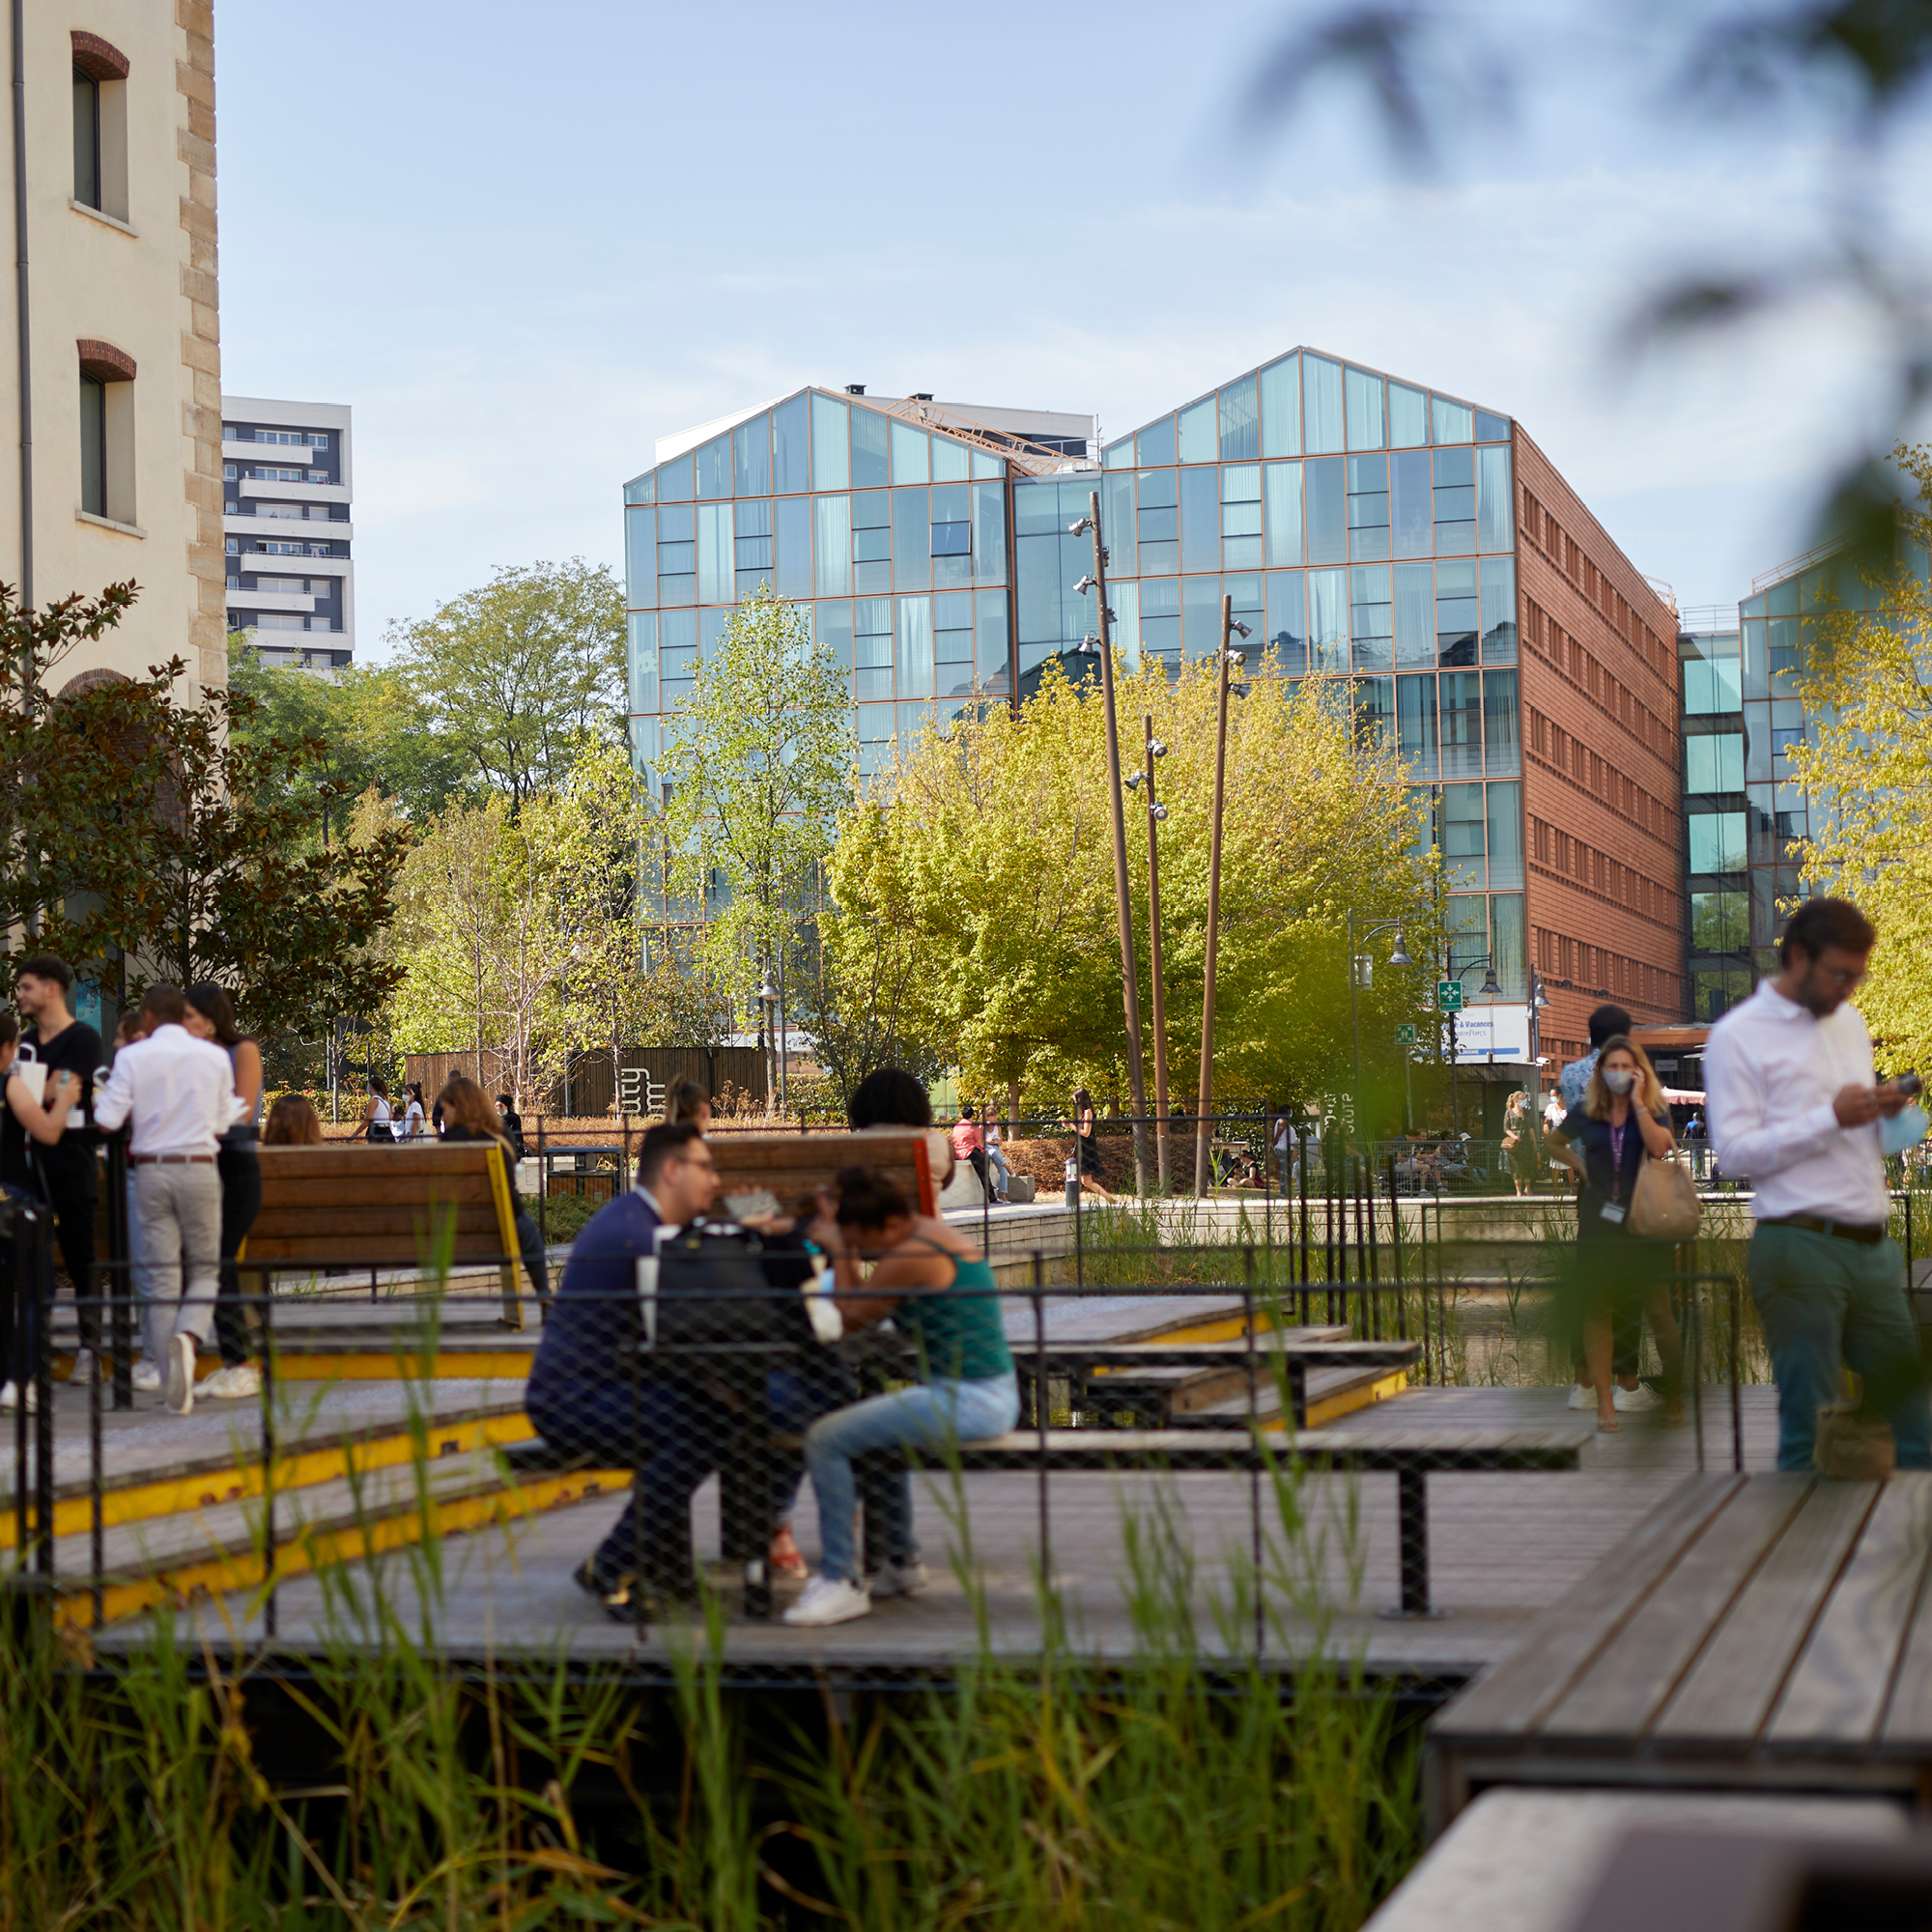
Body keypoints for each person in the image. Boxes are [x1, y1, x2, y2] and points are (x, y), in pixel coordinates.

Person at [1706, 896, 1932, 1473]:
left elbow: (1851, 1134)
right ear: (1798, 956)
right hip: (1798, 1244)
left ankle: (1907, 1558)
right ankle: (1799, 1560)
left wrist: (1884, 1115)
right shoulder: (1737, 1035)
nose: (1848, 991)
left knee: (1913, 1422)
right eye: (1839, 975)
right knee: (1807, 1428)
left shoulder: (1849, 1023)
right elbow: (1730, 1155)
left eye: (1857, 977)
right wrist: (1830, 1116)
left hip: (1873, 1243)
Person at [783, 1164, 1019, 1628]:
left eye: (864, 1240)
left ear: (887, 1225)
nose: (867, 1252)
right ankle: (901, 1562)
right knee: (875, 1433)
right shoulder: (928, 1232)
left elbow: (850, 1317)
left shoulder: (911, 1253)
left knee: (825, 1439)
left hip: (969, 1400)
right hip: (987, 1393)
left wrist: (842, 1251)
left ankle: (841, 1581)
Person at [92, 983, 241, 1416]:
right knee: (206, 1269)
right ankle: (189, 1336)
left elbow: (107, 1119)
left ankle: (170, 1375)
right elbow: (221, 1121)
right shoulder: (213, 1056)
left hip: (152, 1169)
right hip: (198, 1166)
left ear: (149, 1017)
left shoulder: (132, 1057)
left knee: (159, 1279)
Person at [1549, 1037, 1685, 1432]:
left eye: (1629, 1067)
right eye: (1614, 1067)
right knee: (1598, 1309)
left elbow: (1661, 1148)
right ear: (1601, 1073)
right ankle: (1606, 1403)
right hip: (1598, 1222)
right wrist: (1580, 1165)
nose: (1621, 1074)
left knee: (1659, 1309)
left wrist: (1640, 1101)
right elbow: (1554, 1142)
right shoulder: (1587, 1112)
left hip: (1645, 1220)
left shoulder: (1654, 1110)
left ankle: (1674, 1396)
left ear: (1640, 1071)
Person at [3, 957, 103, 1381]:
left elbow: (67, 1085)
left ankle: (91, 1347)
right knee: (30, 1261)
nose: (19, 994)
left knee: (80, 1255)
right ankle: (30, 1353)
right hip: (26, 1168)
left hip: (70, 1161)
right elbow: (35, 1091)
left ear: (51, 989)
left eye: (26, 987)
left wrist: (39, 1089)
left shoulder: (82, 1038)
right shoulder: (23, 1042)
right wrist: (46, 1088)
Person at [1557, 1004, 1649, 1412]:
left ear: (1588, 1032)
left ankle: (1583, 1384)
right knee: (1629, 1288)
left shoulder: (1571, 1075)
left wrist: (1579, 1165)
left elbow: (1559, 1137)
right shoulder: (1634, 1073)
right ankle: (1627, 1384)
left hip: (1589, 1193)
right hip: (1629, 1194)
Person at [181, 984, 264, 1401]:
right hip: (202, 1167)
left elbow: (242, 1111)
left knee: (218, 1262)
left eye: (189, 1016)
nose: (182, 1025)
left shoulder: (241, 1049)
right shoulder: (189, 1058)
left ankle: (244, 1365)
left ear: (211, 1018)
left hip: (234, 1167)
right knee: (209, 1263)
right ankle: (235, 1362)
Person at [0, 1006, 75, 1412]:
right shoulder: (10, 1085)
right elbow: (46, 1131)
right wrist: (64, 1101)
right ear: (10, 1047)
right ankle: (20, 1378)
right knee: (37, 1291)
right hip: (13, 1202)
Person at [435, 1075, 550, 1304]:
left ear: (459, 1107)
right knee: (529, 1233)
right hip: (502, 1224)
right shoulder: (500, 1133)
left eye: (445, 1109)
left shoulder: (450, 1139)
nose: (443, 1116)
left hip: (459, 1225)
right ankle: (545, 1296)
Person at [1068, 1087, 1113, 1204]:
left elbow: (1086, 1133)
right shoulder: (1084, 1114)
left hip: (1086, 1149)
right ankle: (1110, 1200)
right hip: (1083, 1147)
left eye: (1076, 1101)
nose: (1075, 1104)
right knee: (1085, 1180)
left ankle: (1111, 1200)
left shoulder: (1088, 1112)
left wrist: (1072, 1127)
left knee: (1083, 1179)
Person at [1502, 1090, 1542, 1197]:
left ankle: (1527, 1188)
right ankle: (1518, 1190)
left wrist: (1534, 1141)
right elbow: (1506, 1129)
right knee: (1516, 1167)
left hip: (1526, 1143)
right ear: (1516, 1100)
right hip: (1515, 1145)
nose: (1524, 1101)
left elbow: (1530, 1127)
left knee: (1528, 1165)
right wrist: (1515, 1137)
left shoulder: (1527, 1113)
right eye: (1522, 1099)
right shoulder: (1509, 1113)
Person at [951, 1104, 993, 1203]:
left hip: (959, 1153)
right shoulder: (972, 1126)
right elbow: (979, 1139)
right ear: (972, 1116)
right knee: (984, 1170)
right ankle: (992, 1198)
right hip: (970, 1151)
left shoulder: (956, 1127)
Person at [982, 1110, 1011, 1203]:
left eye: (995, 1116)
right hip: (986, 1148)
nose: (994, 1118)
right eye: (992, 1116)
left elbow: (1001, 1140)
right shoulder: (983, 1126)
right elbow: (979, 1141)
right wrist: (988, 1140)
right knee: (993, 1152)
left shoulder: (997, 1126)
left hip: (995, 1147)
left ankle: (1003, 1196)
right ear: (987, 1117)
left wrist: (998, 1141)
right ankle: (1008, 1167)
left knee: (1003, 1171)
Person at [360, 1075, 395, 1144]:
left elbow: (366, 1122)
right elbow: (390, 1117)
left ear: (370, 1086)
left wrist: (353, 1135)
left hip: (378, 1132)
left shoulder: (374, 1101)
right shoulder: (386, 1100)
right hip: (387, 1131)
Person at [495, 1094, 526, 1160]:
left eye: (501, 1105)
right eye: (496, 1106)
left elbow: (517, 1138)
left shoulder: (514, 1118)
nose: (498, 1108)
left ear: (507, 1106)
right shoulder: (493, 1118)